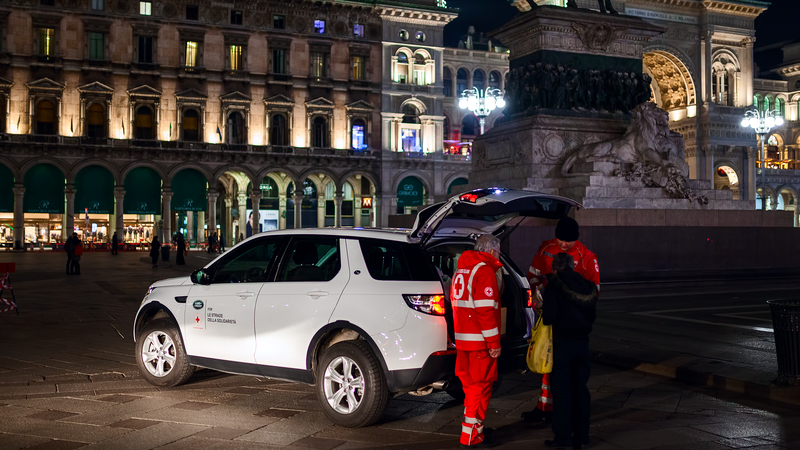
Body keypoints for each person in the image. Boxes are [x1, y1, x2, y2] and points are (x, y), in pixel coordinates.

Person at [522, 216, 599, 424]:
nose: (563, 244)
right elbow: (533, 274)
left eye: (568, 241)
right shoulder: (546, 248)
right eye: (560, 240)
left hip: (570, 323)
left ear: (576, 239)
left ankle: (562, 412)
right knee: (546, 363)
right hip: (550, 316)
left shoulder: (587, 258)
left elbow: (595, 292)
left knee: (565, 370)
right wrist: (537, 290)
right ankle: (545, 406)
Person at [451, 234, 504, 448]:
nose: (498, 255)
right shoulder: (484, 271)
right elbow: (485, 312)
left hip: (463, 341)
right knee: (479, 388)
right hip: (480, 343)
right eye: (498, 252)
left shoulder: (462, 269)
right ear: (491, 251)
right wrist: (494, 343)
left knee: (471, 387)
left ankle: (476, 429)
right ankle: (471, 435)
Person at [541, 253, 597, 449]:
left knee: (562, 392)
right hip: (582, 344)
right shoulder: (587, 286)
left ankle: (563, 437)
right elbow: (592, 316)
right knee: (581, 390)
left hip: (562, 344)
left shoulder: (553, 286)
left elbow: (549, 317)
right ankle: (582, 436)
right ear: (573, 266)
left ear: (555, 268)